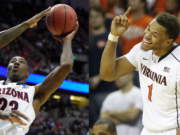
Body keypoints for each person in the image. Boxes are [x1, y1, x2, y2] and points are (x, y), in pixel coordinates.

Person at [100, 6, 180, 135]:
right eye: (148, 28)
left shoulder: (177, 64)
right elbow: (107, 74)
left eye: (154, 34)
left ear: (168, 42)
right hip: (147, 130)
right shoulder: (141, 50)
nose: (147, 35)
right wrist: (114, 35)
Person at [0, 6, 79, 135]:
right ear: (7, 71)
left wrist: (67, 41)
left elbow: (66, 66)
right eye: (13, 61)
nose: (17, 62)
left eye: (22, 61)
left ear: (28, 74)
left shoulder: (35, 93)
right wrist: (25, 25)